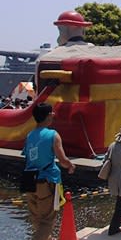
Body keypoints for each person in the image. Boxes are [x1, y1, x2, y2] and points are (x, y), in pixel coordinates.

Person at [22, 103, 76, 240]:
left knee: (37, 220)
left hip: (29, 182)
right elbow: (62, 160)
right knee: (46, 221)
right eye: (52, 113)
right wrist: (70, 165)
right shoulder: (53, 135)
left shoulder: (29, 136)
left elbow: (28, 157)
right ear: (48, 116)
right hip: (47, 180)